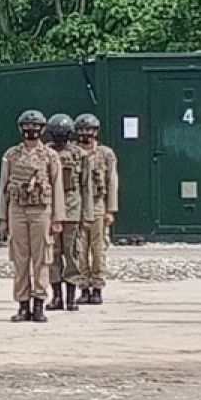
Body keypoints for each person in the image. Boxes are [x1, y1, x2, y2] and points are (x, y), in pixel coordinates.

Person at [0, 110, 66, 323]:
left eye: (35, 127)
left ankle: (39, 303)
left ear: (43, 129)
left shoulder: (50, 156)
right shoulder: (11, 155)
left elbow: (57, 187)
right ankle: (23, 304)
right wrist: (3, 219)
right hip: (17, 210)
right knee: (20, 259)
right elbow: (3, 187)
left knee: (42, 259)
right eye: (27, 126)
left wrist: (57, 218)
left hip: (41, 210)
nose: (31, 131)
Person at [46, 113, 92, 311]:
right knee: (52, 254)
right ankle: (56, 296)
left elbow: (86, 186)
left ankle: (72, 296)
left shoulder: (79, 155)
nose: (59, 138)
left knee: (72, 252)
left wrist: (87, 215)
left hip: (73, 208)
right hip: (49, 209)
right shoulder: (46, 153)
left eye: (63, 134)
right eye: (57, 134)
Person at [74, 113, 118, 305]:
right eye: (82, 130)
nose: (86, 133)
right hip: (77, 207)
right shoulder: (73, 153)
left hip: (98, 205)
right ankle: (83, 287)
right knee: (79, 250)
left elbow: (112, 181)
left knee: (99, 249)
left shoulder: (105, 154)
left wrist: (111, 209)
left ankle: (98, 286)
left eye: (89, 130)